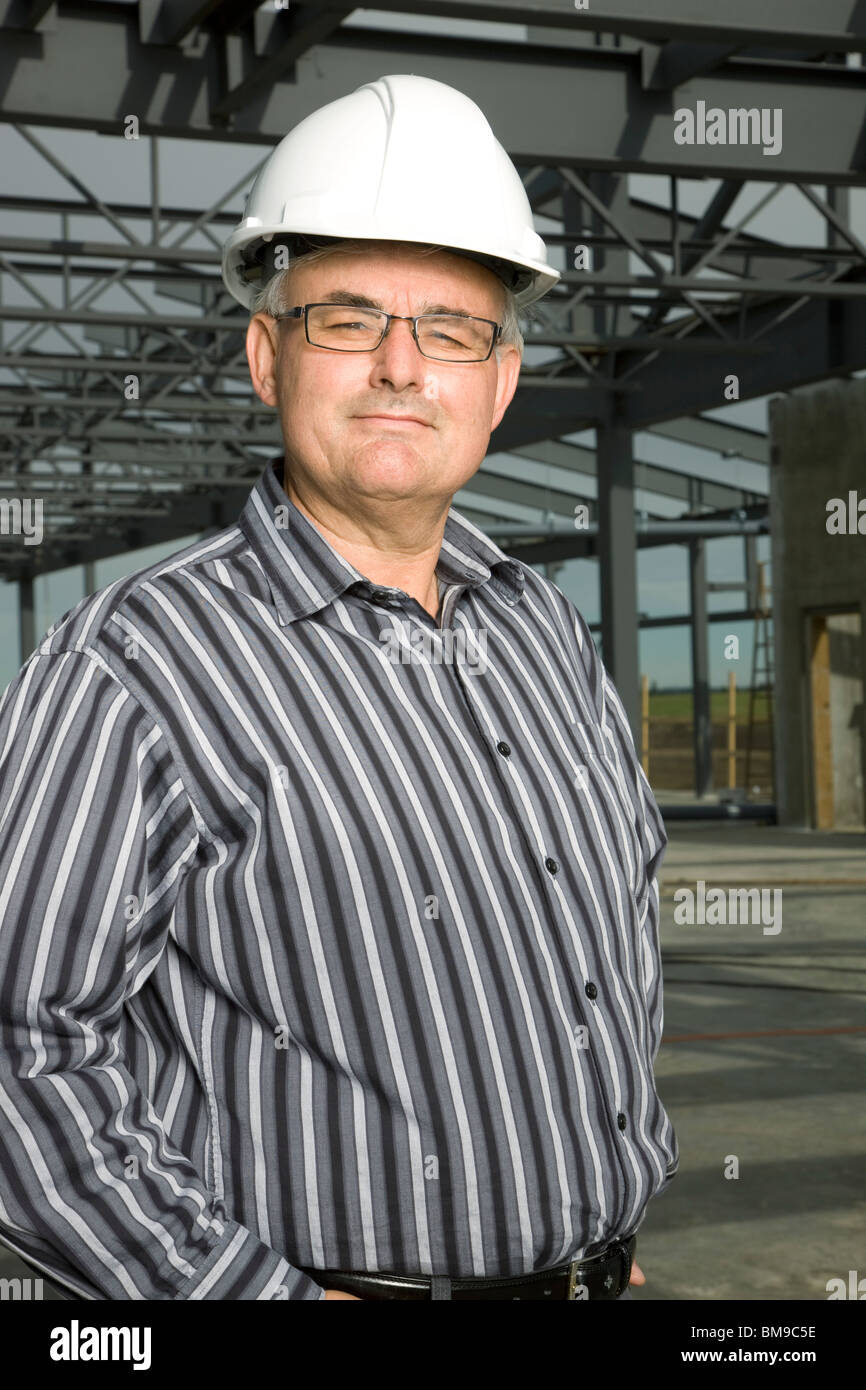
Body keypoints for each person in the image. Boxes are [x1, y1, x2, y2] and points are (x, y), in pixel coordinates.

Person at [0, 74, 677, 1301]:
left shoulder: (544, 636)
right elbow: (23, 1049)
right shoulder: (134, 665)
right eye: (347, 320)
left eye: (451, 329)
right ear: (268, 356)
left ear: (499, 381)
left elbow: (606, 964)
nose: (401, 367)